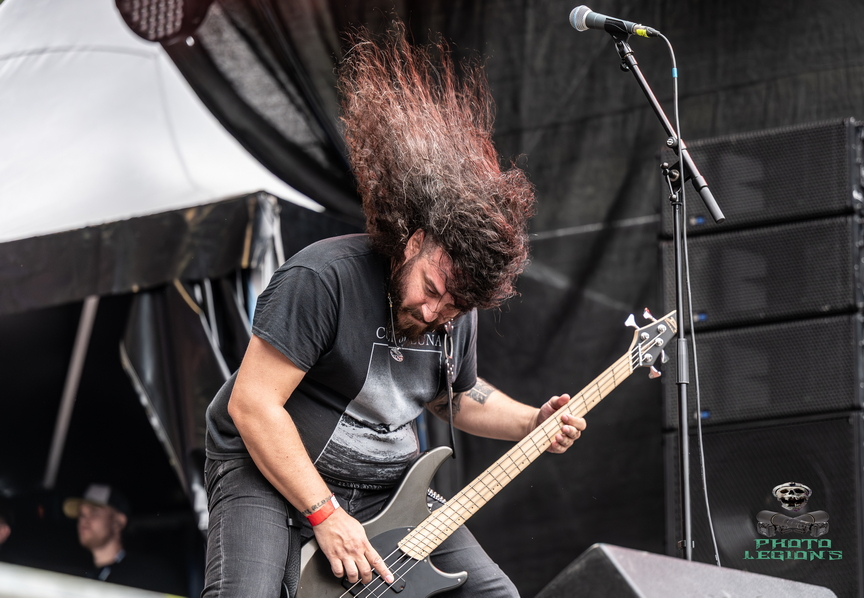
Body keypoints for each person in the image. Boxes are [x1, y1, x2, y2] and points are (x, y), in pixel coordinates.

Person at [201, 24, 587, 598]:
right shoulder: (324, 278)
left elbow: (455, 395)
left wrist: (532, 423)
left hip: (387, 488)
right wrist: (324, 513)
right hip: (269, 469)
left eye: (453, 306)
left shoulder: (455, 310)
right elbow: (253, 405)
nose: (434, 312)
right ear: (414, 242)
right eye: (431, 289)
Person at [64, 483, 186, 595]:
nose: (84, 520)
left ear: (119, 521)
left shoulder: (149, 573)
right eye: (81, 514)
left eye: (94, 512)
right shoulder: (81, 578)